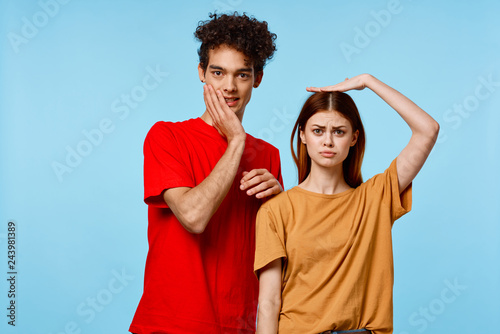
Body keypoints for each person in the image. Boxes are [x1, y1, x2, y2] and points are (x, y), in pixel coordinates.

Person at [129, 13, 283, 334]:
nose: (229, 86)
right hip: (173, 324)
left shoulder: (268, 155)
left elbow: (277, 256)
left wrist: (283, 205)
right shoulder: (166, 137)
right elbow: (193, 216)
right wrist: (236, 141)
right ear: (202, 73)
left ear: (258, 78)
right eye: (218, 72)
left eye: (242, 74)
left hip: (241, 325)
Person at [254, 74, 440, 334]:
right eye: (318, 131)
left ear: (353, 138)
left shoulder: (376, 198)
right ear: (303, 135)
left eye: (338, 131)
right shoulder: (276, 210)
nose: (328, 141)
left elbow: (428, 129)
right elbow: (269, 302)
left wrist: (367, 81)